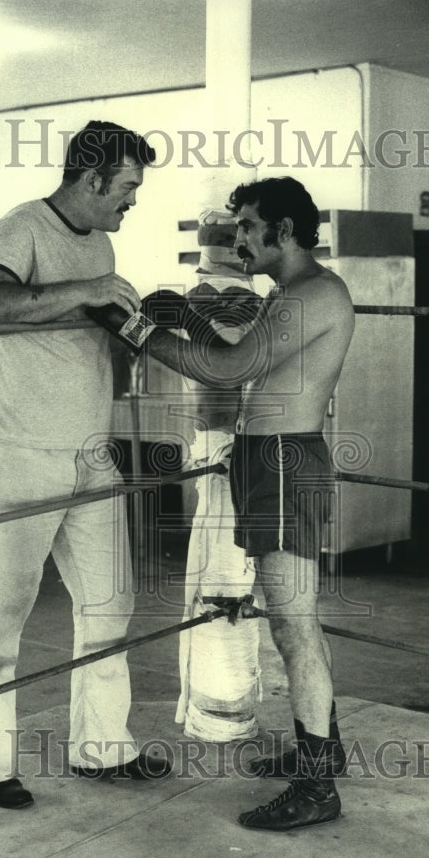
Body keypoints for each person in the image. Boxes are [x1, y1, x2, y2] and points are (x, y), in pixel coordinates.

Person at [89, 177, 355, 831]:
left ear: (283, 231)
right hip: (268, 460)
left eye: (247, 227)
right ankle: (324, 748)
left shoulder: (310, 296)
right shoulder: (289, 294)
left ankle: (316, 785)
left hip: (284, 462)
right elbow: (237, 361)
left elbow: (227, 371)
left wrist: (134, 327)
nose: (236, 239)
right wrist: (179, 319)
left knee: (292, 625)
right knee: (292, 620)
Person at [0, 120, 171, 811]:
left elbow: (87, 337)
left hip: (89, 454)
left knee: (110, 601)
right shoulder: (19, 228)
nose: (131, 202)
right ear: (91, 178)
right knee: (6, 610)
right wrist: (86, 291)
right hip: (19, 453)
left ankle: (103, 748)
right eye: (127, 187)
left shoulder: (99, 244)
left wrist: (130, 333)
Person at [174, 209, 265, 743]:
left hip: (225, 449)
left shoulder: (215, 301)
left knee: (221, 579)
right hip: (230, 448)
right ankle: (222, 710)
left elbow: (225, 361)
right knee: (225, 574)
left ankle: (219, 718)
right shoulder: (243, 299)